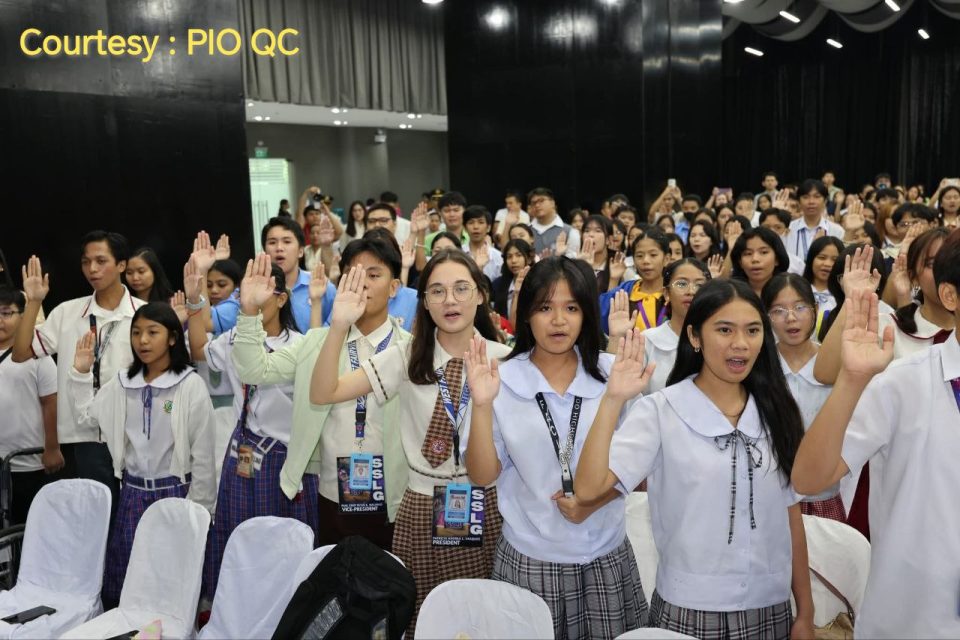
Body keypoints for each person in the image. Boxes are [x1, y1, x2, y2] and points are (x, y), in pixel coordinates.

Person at [575, 279, 814, 639]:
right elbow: (588, 488)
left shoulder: (776, 410)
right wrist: (613, 399)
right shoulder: (661, 410)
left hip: (769, 606)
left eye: (752, 330)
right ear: (695, 336)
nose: (740, 343)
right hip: (688, 609)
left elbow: (790, 515)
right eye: (724, 330)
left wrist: (805, 612)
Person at [309, 250, 510, 633]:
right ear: (425, 302)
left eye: (461, 288)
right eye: (437, 291)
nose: (449, 300)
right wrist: (337, 326)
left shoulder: (505, 360)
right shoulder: (406, 356)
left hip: (483, 501)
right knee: (420, 619)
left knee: (480, 619)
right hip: (420, 503)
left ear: (481, 294)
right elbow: (323, 392)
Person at [463, 257, 648, 639]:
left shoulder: (614, 374)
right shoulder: (500, 379)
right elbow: (481, 476)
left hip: (605, 555)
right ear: (526, 315)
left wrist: (592, 502)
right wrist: (481, 405)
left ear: (586, 315)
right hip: (530, 559)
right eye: (545, 308)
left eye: (572, 308)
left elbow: (638, 467)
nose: (559, 321)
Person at [791, 230, 960, 637]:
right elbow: (808, 479)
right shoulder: (904, 382)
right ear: (951, 296)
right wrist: (851, 380)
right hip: (912, 616)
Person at [233, 239, 410, 553]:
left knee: (391, 578)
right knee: (333, 577)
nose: (363, 284)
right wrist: (249, 312)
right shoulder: (316, 343)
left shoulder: (411, 349)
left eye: (373, 275)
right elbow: (253, 371)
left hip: (396, 496)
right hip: (332, 492)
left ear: (394, 287)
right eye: (353, 275)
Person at [186, 258, 317, 598]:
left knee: (282, 543)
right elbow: (199, 351)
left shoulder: (299, 346)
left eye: (263, 290)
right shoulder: (234, 338)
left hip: (286, 459)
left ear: (282, 298)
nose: (254, 297)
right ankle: (234, 605)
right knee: (237, 534)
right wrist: (195, 300)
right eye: (248, 289)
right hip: (242, 450)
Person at [71, 302, 216, 607]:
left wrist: (199, 512)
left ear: (173, 338)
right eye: (136, 333)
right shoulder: (124, 382)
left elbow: (203, 456)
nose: (143, 341)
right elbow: (87, 418)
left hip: (176, 494)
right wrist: (81, 374)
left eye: (152, 332)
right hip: (133, 495)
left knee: (172, 583)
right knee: (130, 584)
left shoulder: (189, 385)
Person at [12, 232, 145, 509]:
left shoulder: (144, 314)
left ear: (121, 265)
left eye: (101, 261)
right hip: (87, 435)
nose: (92, 269)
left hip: (135, 432)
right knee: (97, 515)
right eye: (86, 262)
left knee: (135, 513)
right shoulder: (67, 312)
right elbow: (21, 352)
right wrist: (34, 301)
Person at [762, 274, 844, 520]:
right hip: (770, 499)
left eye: (800, 307)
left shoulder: (833, 364)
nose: (790, 318)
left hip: (822, 496)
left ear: (815, 309)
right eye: (778, 311)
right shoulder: (759, 368)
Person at [0, 286, 59, 524]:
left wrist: (52, 448)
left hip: (28, 461)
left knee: (28, 526)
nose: (0, 320)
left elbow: (50, 403)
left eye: (6, 313)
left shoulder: (37, 356)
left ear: (23, 316)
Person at [608, 258, 711, 395]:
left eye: (699, 285)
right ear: (666, 293)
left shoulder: (717, 339)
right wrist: (616, 338)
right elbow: (622, 391)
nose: (691, 291)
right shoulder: (646, 341)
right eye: (681, 284)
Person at [259, 218, 336, 333]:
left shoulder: (323, 287)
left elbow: (333, 332)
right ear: (265, 251)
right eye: (272, 242)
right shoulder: (255, 289)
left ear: (300, 251)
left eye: (287, 242)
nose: (279, 248)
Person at [601, 230, 671, 334]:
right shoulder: (625, 291)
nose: (645, 261)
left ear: (666, 259)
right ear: (633, 260)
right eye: (639, 256)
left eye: (653, 255)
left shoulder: (674, 294)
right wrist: (614, 280)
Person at [785, 179, 844, 260]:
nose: (811, 202)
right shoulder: (788, 229)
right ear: (799, 202)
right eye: (805, 197)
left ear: (825, 201)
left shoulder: (837, 230)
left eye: (817, 197)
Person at [731, 227, 789, 297]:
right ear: (740, 262)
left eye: (764, 252)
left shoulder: (790, 291)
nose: (755, 259)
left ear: (777, 259)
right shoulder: (730, 294)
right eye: (748, 253)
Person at [529, 187, 580, 258]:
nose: (537, 205)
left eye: (541, 201)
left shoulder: (570, 231)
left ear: (552, 203)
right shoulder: (526, 231)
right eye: (533, 203)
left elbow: (573, 262)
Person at [579, 215, 625, 293]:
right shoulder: (574, 264)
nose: (591, 235)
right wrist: (583, 268)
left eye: (598, 231)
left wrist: (614, 280)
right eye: (587, 231)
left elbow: (612, 299)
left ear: (608, 239)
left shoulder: (617, 264)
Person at [491, 238, 535, 318]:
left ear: (529, 259)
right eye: (509, 257)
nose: (513, 261)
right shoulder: (498, 284)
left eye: (518, 255)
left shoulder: (538, 282)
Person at [802, 236, 844, 319]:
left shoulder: (844, 296)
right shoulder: (797, 289)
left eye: (834, 260)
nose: (828, 264)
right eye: (822, 258)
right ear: (811, 259)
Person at [462, 205, 503, 282]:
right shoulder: (458, 253)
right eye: (471, 223)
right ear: (465, 228)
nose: (476, 227)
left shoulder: (498, 257)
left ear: (488, 228)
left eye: (481, 222)